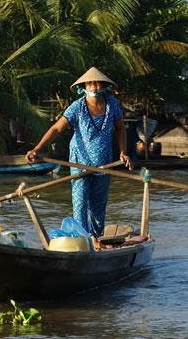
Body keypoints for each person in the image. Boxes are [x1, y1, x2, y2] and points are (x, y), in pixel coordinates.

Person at [26, 66, 132, 250]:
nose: (93, 86)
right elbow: (56, 129)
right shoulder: (77, 107)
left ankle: (96, 237)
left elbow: (121, 128)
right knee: (80, 201)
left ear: (104, 85)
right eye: (90, 83)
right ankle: (84, 238)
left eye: (97, 82)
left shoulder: (112, 104)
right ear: (83, 86)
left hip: (104, 161)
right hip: (79, 161)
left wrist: (123, 152)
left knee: (99, 203)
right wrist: (37, 149)